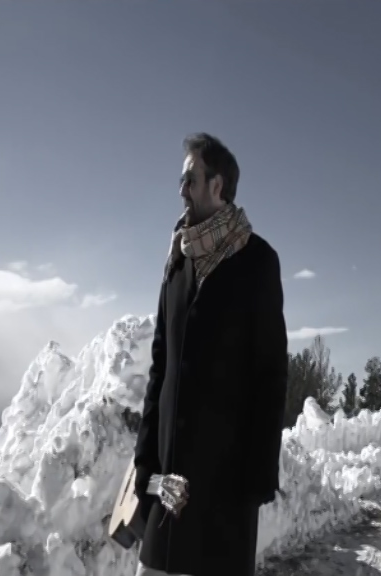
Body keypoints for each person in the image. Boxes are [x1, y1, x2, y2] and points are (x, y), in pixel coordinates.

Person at [132, 133, 288, 576]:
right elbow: (160, 369)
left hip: (226, 492)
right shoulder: (177, 263)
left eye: (190, 180)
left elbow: (270, 374)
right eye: (182, 181)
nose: (181, 190)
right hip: (167, 489)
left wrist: (257, 479)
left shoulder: (257, 262)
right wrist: (145, 463)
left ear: (217, 185)